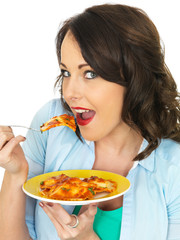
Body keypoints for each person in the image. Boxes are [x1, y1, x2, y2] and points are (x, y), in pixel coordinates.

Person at [0, 3, 180, 240]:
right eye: (66, 73)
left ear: (135, 78)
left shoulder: (173, 168)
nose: (70, 92)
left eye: (90, 73)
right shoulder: (51, 124)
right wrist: (15, 173)